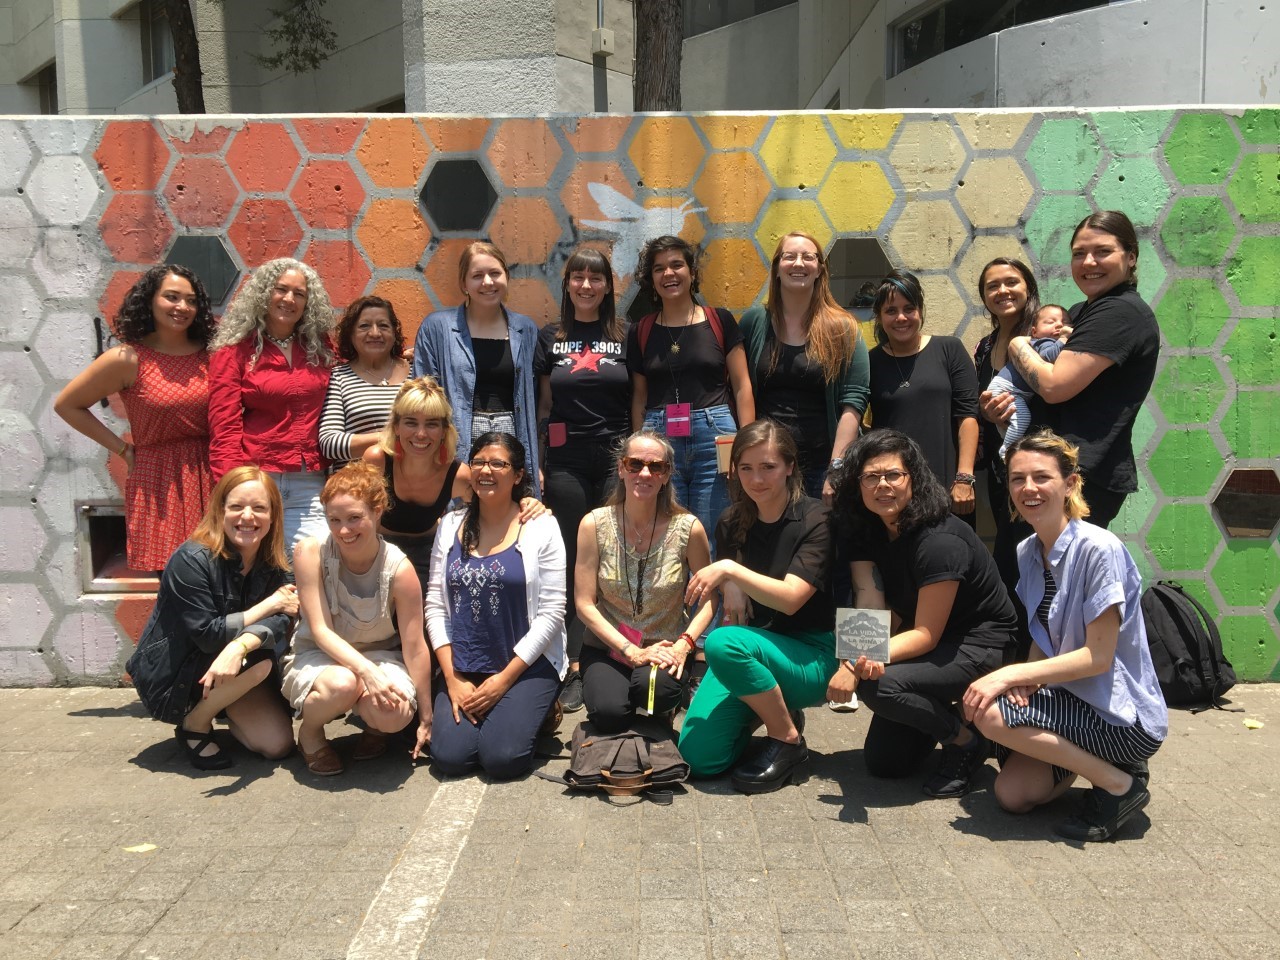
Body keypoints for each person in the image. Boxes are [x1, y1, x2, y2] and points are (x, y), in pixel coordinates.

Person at [963, 431, 1167, 841]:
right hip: (1072, 702)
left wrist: (1008, 676)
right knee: (1012, 795)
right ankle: (1099, 767)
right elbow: (1045, 633)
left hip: (1121, 718)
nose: (1028, 488)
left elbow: (1098, 658)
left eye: (1042, 477)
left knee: (989, 711)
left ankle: (1119, 785)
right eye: (1018, 478)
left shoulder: (1099, 549)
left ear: (1070, 483)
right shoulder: (1028, 550)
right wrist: (1030, 677)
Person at [827, 430, 1016, 798]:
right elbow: (875, 604)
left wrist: (853, 666)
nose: (882, 485)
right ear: (858, 484)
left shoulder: (939, 542)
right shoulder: (872, 529)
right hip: (934, 641)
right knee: (886, 764)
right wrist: (855, 654)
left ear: (914, 477)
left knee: (879, 686)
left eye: (893, 475)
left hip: (980, 645)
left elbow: (927, 634)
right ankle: (949, 715)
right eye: (870, 476)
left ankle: (965, 741)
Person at [677, 420, 839, 794]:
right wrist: (731, 581)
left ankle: (786, 739)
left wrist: (731, 571)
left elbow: (791, 598)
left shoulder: (817, 519)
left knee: (720, 643)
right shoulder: (732, 520)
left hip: (813, 655)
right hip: (753, 651)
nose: (756, 479)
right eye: (745, 468)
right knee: (700, 759)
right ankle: (770, 704)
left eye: (768, 467)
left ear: (790, 467)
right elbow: (734, 596)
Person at [987, 211, 1160, 529]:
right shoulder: (1082, 312)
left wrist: (1017, 346)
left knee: (1058, 576)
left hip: (1078, 478)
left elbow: (1054, 387)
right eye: (1079, 253)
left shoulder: (1119, 312)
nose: (1089, 262)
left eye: (1103, 251)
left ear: (1131, 256)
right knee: (1026, 572)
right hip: (1050, 471)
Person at [126, 467, 297, 770]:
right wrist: (270, 604)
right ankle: (195, 722)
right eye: (237, 507)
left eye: (259, 508)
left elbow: (283, 618)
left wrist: (238, 647)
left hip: (237, 666)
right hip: (180, 673)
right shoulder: (191, 559)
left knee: (277, 746)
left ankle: (227, 707)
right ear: (220, 510)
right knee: (261, 662)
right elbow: (207, 634)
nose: (248, 517)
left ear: (273, 516)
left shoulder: (275, 560)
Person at [55, 265, 215, 572]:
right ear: (150, 301)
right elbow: (68, 405)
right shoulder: (128, 359)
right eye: (171, 297)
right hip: (159, 480)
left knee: (224, 583)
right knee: (176, 586)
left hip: (212, 475)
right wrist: (122, 449)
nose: (182, 307)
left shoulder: (212, 355)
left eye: (191, 300)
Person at [425, 433, 566, 779]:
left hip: (524, 665)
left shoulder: (541, 526)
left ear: (518, 475)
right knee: (451, 758)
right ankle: (505, 713)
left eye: (498, 463)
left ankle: (538, 706)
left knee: (503, 759)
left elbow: (551, 612)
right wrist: (452, 677)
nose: (486, 470)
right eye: (478, 462)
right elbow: (434, 604)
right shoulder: (450, 526)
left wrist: (503, 682)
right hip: (465, 665)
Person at [283, 462, 433, 776]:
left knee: (395, 713)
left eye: (354, 518)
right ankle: (310, 733)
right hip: (320, 654)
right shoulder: (310, 553)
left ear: (377, 512)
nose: (343, 531)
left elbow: (415, 645)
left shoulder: (399, 569)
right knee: (342, 684)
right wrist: (367, 673)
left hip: (379, 654)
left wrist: (426, 714)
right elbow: (321, 631)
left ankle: (375, 729)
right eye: (333, 520)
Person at [535, 247, 631, 714]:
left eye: (596, 278)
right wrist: (539, 460)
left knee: (616, 551)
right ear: (568, 283)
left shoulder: (625, 334)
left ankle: (616, 652)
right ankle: (573, 663)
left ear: (609, 286)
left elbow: (638, 398)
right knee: (575, 557)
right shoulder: (551, 336)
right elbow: (543, 405)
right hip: (566, 458)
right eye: (578, 277)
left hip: (617, 456)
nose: (587, 286)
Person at [574, 430, 716, 732]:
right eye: (635, 464)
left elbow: (709, 600)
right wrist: (631, 651)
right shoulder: (594, 524)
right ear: (621, 469)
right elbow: (584, 604)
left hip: (665, 648)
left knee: (656, 698)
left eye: (657, 467)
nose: (645, 473)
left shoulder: (688, 528)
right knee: (608, 714)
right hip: (609, 646)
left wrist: (685, 644)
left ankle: (664, 706)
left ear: (666, 475)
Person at [626, 235, 755, 547]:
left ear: (692, 272)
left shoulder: (719, 320)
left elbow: (741, 386)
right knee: (667, 537)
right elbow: (640, 398)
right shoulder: (640, 330)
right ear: (650, 279)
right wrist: (638, 451)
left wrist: (747, 448)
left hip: (716, 437)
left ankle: (713, 598)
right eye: (659, 269)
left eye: (676, 265)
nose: (669, 274)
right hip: (659, 437)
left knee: (714, 534)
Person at [363, 377, 546, 595]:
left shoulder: (458, 475)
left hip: (427, 555)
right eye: (411, 422)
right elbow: (356, 508)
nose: (421, 434)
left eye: (431, 424)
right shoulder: (377, 459)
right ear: (396, 427)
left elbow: (495, 501)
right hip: (378, 550)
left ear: (443, 431)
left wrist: (526, 502)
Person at [208, 257, 335, 550]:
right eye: (281, 289)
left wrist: (397, 358)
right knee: (258, 566)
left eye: (299, 294)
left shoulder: (321, 347)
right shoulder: (234, 351)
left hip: (310, 481)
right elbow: (223, 426)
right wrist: (233, 489)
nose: (289, 299)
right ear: (265, 292)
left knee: (316, 560)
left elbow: (355, 373)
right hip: (257, 477)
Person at [739, 232, 869, 499]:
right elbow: (741, 391)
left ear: (820, 269)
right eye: (790, 256)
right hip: (766, 466)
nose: (798, 263)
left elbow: (853, 403)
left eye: (808, 257)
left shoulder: (842, 328)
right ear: (776, 268)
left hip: (822, 464)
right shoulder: (753, 322)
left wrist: (837, 468)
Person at [411, 242, 542, 497]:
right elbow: (424, 394)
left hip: (512, 435)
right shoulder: (437, 328)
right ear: (464, 284)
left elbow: (535, 396)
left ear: (506, 277)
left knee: (511, 511)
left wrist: (537, 463)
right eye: (477, 276)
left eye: (495, 273)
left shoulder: (525, 329)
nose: (487, 282)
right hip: (459, 436)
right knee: (462, 508)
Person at [865, 270, 979, 522]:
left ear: (920, 310)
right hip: (891, 490)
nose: (901, 317)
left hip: (948, 486)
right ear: (879, 316)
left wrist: (964, 478)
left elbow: (968, 417)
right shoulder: (869, 362)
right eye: (891, 310)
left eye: (909, 308)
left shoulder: (949, 349)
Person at [318, 295, 411, 466]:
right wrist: (394, 437)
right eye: (364, 326)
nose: (375, 333)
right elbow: (330, 443)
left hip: (410, 485)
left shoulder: (416, 372)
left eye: (383, 326)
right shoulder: (338, 377)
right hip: (357, 486)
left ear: (394, 332)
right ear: (351, 335)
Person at [985, 304, 1071, 462]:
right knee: (1022, 419)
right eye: (1050, 322)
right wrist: (1064, 339)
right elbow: (1048, 356)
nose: (1059, 325)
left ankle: (1012, 448)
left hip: (1012, 391)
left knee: (1015, 428)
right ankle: (1007, 452)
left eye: (1065, 322)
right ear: (1034, 332)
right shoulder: (1041, 343)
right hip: (1008, 390)